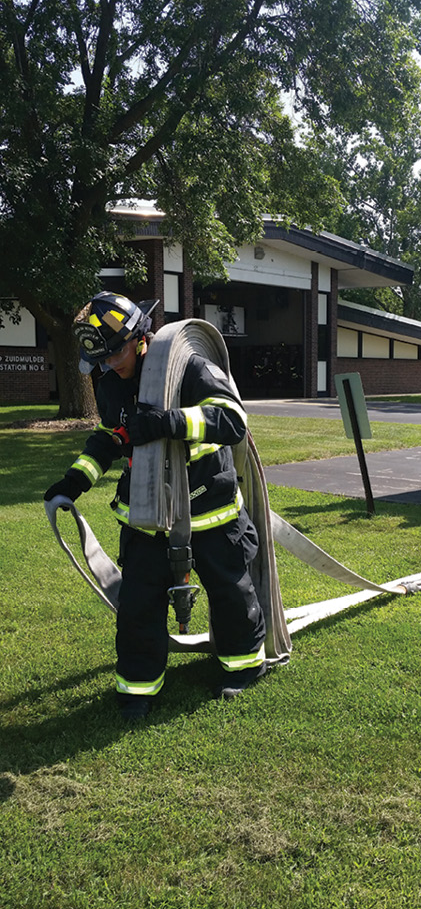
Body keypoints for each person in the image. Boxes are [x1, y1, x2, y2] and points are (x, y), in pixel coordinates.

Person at [44, 292, 266, 722]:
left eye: (116, 354)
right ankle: (138, 689)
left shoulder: (189, 366)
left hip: (209, 507)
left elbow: (232, 420)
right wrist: (74, 481)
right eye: (103, 360)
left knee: (231, 592)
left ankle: (243, 666)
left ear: (140, 337)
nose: (111, 365)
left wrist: (170, 422)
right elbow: (110, 437)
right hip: (147, 515)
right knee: (139, 604)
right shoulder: (109, 379)